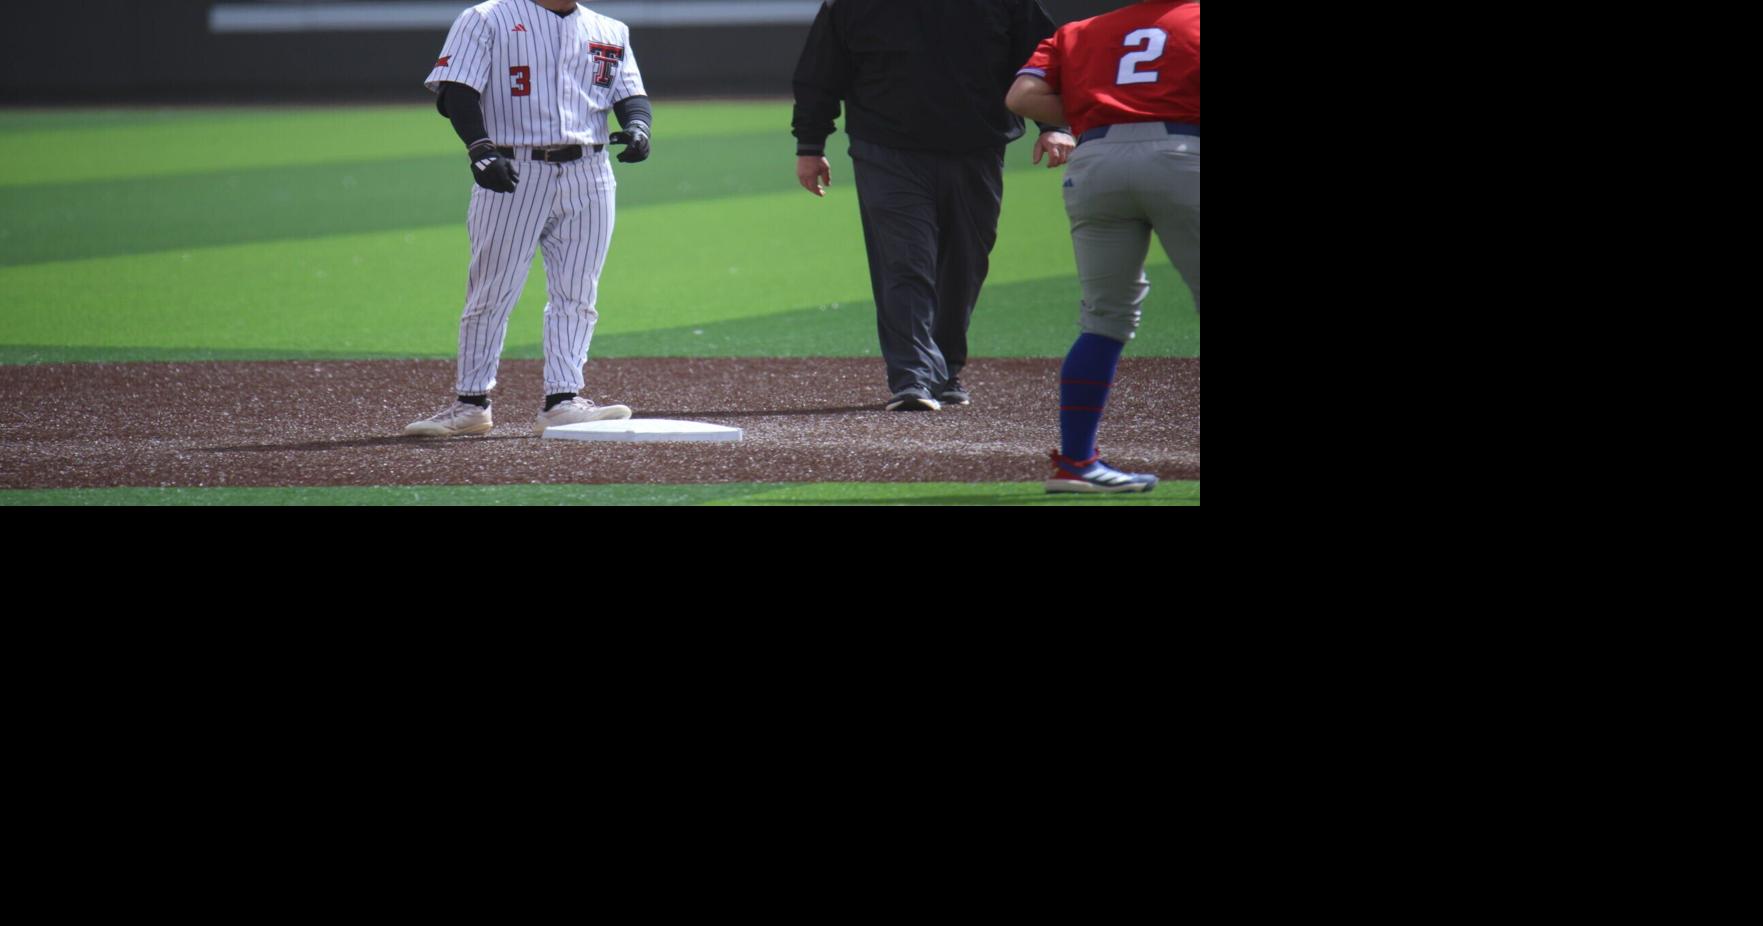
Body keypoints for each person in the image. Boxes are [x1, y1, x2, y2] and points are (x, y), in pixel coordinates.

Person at [791, 0, 1076, 412]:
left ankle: (945, 369)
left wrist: (1054, 125)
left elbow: (1041, 55)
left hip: (977, 147)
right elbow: (820, 71)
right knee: (904, 261)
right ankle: (912, 377)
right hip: (886, 149)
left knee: (965, 263)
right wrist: (810, 145)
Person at [404, 0, 653, 438]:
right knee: (492, 290)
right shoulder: (486, 17)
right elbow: (456, 92)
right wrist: (480, 149)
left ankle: (563, 400)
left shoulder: (609, 28)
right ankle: (471, 403)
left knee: (577, 291)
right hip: (514, 166)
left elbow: (630, 94)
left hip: (590, 172)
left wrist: (638, 127)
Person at [1006, 0, 1200, 493]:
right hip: (1183, 155)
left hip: (1096, 161)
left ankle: (1076, 463)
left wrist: (1096, 107)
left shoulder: (1079, 31)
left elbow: (1022, 95)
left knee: (1105, 318)